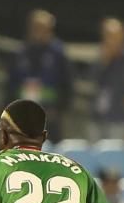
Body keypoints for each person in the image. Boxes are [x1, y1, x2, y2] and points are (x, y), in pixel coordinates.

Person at [5, 10, 74, 142]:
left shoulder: (58, 54)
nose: (39, 32)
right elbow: (10, 84)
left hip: (50, 117)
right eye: (36, 27)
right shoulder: (21, 52)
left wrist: (59, 109)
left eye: (44, 28)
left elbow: (68, 84)